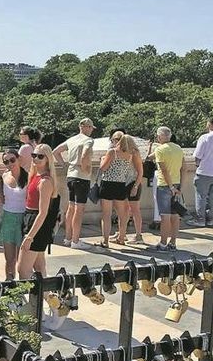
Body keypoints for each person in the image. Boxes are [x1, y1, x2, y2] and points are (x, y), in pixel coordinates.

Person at [18, 144, 61, 280]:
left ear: (48, 159)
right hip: (30, 218)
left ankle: (32, 292)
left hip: (37, 222)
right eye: (34, 155)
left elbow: (43, 213)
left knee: (23, 270)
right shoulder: (35, 176)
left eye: (40, 156)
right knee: (39, 267)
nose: (36, 158)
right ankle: (47, 292)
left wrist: (29, 237)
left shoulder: (45, 181)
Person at [53, 118, 95, 250]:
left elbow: (55, 151)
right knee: (79, 209)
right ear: (87, 127)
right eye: (91, 128)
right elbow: (85, 154)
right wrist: (85, 167)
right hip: (81, 176)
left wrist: (64, 165)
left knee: (71, 207)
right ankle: (75, 240)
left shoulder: (71, 139)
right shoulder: (88, 140)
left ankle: (68, 238)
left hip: (70, 175)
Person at [97, 132, 134, 247]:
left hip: (108, 183)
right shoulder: (129, 154)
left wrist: (102, 159)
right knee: (122, 214)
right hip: (120, 185)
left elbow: (103, 167)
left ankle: (105, 240)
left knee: (106, 214)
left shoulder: (112, 152)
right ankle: (121, 237)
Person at [150, 127, 183, 251]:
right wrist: (180, 187)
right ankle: (173, 243)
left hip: (165, 185)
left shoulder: (160, 150)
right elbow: (184, 168)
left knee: (165, 216)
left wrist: (170, 187)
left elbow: (163, 170)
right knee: (175, 216)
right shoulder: (178, 148)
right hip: (177, 183)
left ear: (159, 137)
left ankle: (163, 244)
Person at [191, 118, 213, 227]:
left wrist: (197, 165)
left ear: (209, 125)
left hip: (204, 171)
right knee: (212, 197)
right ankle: (210, 218)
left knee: (201, 196)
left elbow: (198, 155)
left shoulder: (204, 137)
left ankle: (200, 219)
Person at [0, 149, 28, 280]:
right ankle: (9, 284)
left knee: (22, 259)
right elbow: (0, 196)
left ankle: (24, 285)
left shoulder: (28, 176)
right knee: (9, 259)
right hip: (8, 218)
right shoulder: (4, 176)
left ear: (18, 159)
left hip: (24, 218)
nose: (10, 163)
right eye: (6, 162)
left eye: (12, 160)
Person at [121, 135, 146, 244]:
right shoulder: (125, 153)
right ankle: (122, 233)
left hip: (133, 183)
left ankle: (138, 235)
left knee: (135, 210)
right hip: (126, 183)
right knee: (125, 210)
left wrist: (135, 186)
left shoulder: (134, 153)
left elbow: (140, 172)